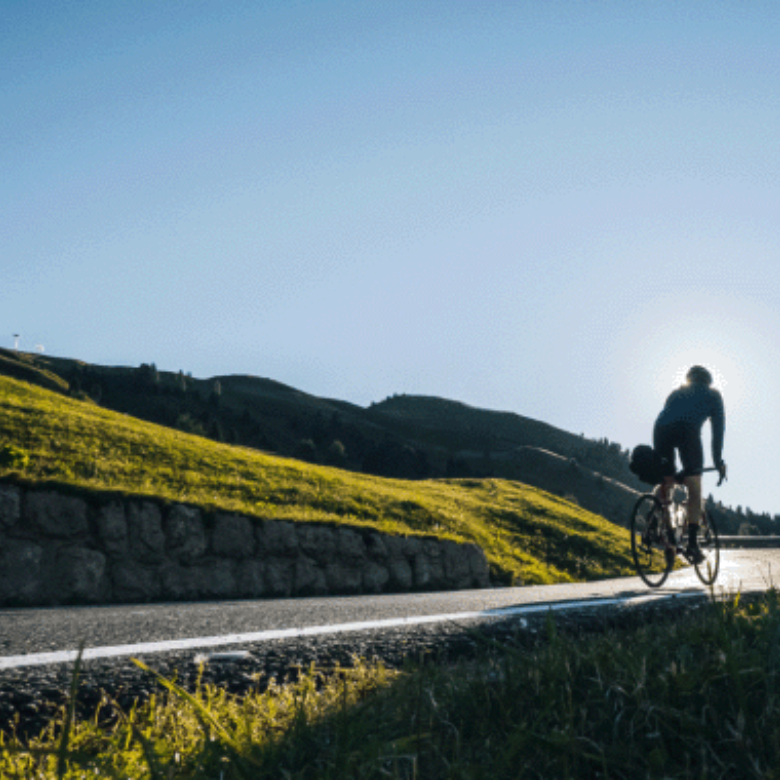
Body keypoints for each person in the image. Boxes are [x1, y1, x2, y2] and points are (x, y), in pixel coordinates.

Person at [653, 365, 727, 564]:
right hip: (688, 432)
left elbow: (667, 416)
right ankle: (692, 545)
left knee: (667, 481)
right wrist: (718, 462)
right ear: (708, 382)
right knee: (694, 488)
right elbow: (717, 434)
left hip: (660, 430)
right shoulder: (713, 396)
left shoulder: (676, 393)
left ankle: (667, 535)